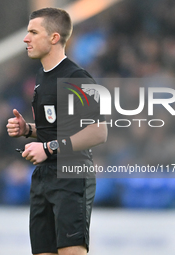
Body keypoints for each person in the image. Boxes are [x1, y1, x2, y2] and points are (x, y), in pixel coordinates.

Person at [6, 7, 107, 255]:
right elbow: (56, 130)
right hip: (43, 178)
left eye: (33, 32)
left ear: (53, 38)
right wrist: (28, 130)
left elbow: (98, 131)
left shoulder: (77, 77)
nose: (25, 38)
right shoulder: (42, 77)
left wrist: (48, 148)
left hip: (71, 178)